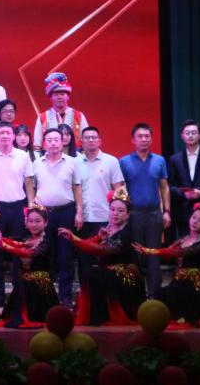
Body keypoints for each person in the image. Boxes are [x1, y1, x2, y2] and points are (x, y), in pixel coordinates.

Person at [60, 187, 145, 326]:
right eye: (112, 209)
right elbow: (88, 245)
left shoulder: (126, 234)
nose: (115, 213)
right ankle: (96, 315)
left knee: (94, 274)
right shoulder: (106, 230)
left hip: (124, 275)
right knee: (92, 273)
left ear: (127, 214)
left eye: (120, 211)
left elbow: (103, 250)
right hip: (109, 273)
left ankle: (100, 315)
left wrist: (74, 238)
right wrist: (98, 237)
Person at [135, 201, 200, 327]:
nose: (195, 222)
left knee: (184, 295)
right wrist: (159, 251)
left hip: (195, 284)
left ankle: (195, 318)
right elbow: (170, 253)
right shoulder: (183, 239)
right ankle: (177, 316)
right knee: (160, 293)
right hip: (180, 281)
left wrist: (151, 251)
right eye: (194, 217)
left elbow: (178, 252)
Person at [0, 122, 36, 305]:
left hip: (18, 207)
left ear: (13, 136)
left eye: (8, 133)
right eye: (1, 133)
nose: (5, 136)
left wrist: (30, 208)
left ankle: (18, 294)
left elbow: (29, 184)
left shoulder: (23, 156)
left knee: (17, 252)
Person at [119, 123, 171, 298]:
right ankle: (137, 296)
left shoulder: (159, 161)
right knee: (136, 256)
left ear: (151, 139)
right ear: (133, 140)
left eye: (147, 136)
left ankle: (155, 296)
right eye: (140, 136)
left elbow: (164, 187)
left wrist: (167, 211)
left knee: (154, 256)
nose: (144, 139)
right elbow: (121, 189)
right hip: (133, 215)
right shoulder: (124, 162)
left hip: (154, 214)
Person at [33, 128, 84, 306]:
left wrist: (79, 211)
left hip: (66, 212)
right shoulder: (36, 163)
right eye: (49, 140)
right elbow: (32, 187)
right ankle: (45, 297)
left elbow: (77, 187)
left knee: (65, 255)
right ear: (44, 143)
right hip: (44, 214)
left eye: (57, 139)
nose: (53, 143)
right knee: (44, 254)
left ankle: (65, 297)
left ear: (63, 142)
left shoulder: (72, 162)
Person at [75, 126, 125, 303]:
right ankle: (86, 298)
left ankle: (107, 299)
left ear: (100, 141)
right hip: (82, 219)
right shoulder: (75, 162)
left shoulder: (111, 161)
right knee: (84, 261)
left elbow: (119, 189)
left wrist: (117, 218)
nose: (90, 140)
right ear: (81, 141)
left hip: (105, 219)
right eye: (87, 137)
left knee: (105, 261)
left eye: (94, 137)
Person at [1, 202, 58, 328]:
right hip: (24, 284)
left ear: (46, 223)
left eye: (38, 221)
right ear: (26, 223)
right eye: (30, 221)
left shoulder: (45, 242)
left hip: (40, 285)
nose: (33, 224)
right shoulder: (23, 239)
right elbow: (8, 240)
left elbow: (32, 254)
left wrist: (5, 246)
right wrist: (0, 240)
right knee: (23, 283)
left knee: (27, 283)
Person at [168, 120, 200, 242]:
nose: (190, 136)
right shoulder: (175, 159)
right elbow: (170, 186)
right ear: (182, 136)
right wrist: (183, 193)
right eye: (187, 133)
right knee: (184, 246)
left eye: (193, 133)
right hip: (183, 212)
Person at [32, 72, 88, 151]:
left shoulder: (79, 116)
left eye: (62, 94)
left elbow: (86, 141)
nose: (59, 97)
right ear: (50, 98)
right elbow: (37, 145)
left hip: (75, 156)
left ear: (68, 96)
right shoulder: (42, 117)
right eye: (56, 95)